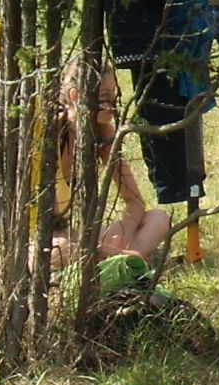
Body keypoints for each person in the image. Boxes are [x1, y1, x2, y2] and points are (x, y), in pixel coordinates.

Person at [50, 60, 171, 269]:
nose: (113, 104)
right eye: (105, 96)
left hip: (86, 240)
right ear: (75, 96)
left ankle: (119, 262)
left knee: (159, 219)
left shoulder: (103, 132)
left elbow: (135, 201)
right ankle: (129, 262)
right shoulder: (51, 135)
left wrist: (122, 232)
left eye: (114, 93)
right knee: (62, 247)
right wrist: (105, 248)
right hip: (51, 240)